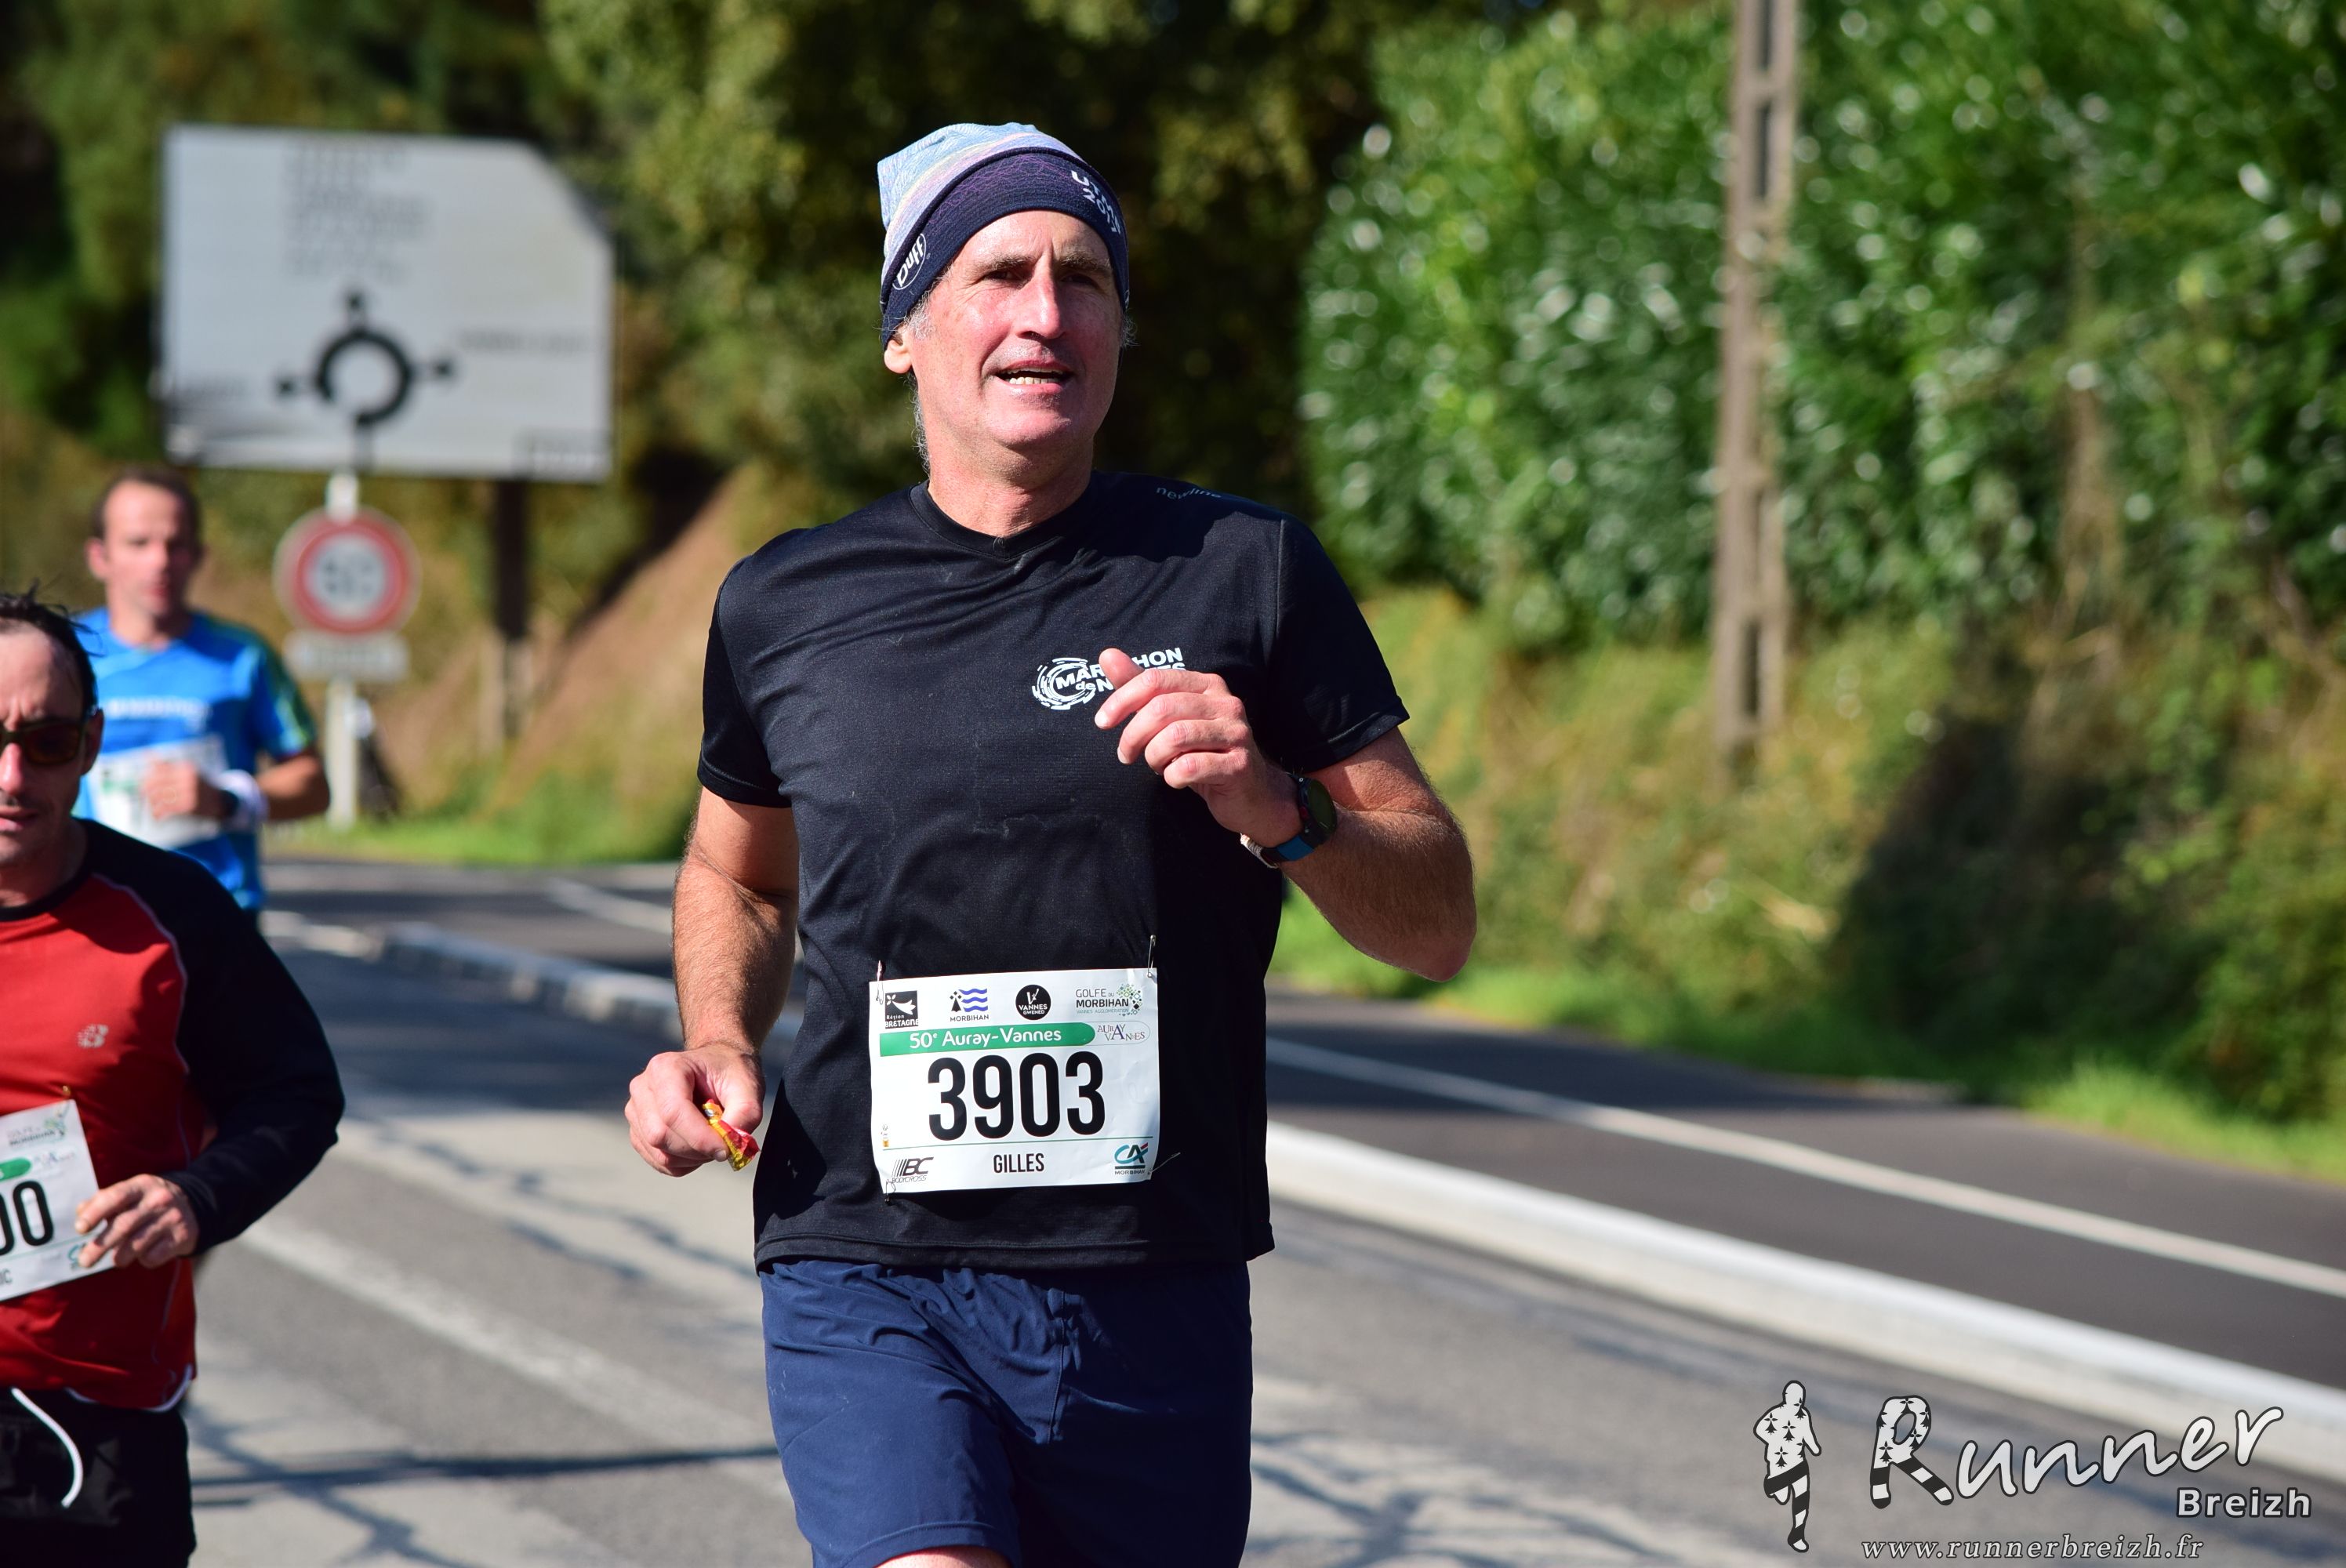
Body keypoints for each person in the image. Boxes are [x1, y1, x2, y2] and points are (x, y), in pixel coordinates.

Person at [625, 123, 1475, 1568]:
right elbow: (738, 872)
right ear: (905, 331)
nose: (1045, 314)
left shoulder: (1243, 572)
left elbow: (1436, 916)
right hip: (865, 1253)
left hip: (1154, 1272)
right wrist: (716, 1037)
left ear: (1118, 333)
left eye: (1084, 280)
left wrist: (1281, 804)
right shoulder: (786, 603)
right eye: (999, 273)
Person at [0, 589, 343, 1565]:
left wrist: (198, 1196)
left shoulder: (172, 913)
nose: (12, 775)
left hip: (94, 1421)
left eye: (46, 741)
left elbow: (297, 1092)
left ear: (91, 743)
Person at [77, 466, 329, 910]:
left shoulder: (242, 657)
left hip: (214, 911)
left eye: (175, 545)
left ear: (198, 556)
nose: (159, 561)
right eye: (139, 543)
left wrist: (227, 800)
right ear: (99, 556)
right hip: (90, 910)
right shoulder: (61, 654)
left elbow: (313, 785)